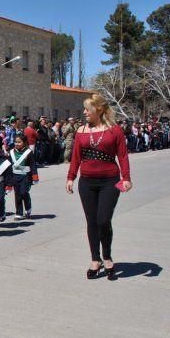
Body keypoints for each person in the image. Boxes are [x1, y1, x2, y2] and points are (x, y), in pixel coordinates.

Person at [66, 94, 132, 281]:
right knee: (92, 221)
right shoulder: (81, 130)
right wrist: (71, 177)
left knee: (103, 219)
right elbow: (76, 157)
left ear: (99, 109)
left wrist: (126, 177)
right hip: (86, 182)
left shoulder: (115, 130)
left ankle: (107, 257)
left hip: (110, 181)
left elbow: (123, 156)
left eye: (88, 108)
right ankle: (95, 259)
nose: (84, 112)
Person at [9, 134, 39, 220]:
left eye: (19, 142)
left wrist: (35, 177)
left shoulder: (28, 152)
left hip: (25, 176)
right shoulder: (11, 152)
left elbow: (33, 165)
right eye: (15, 142)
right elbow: (9, 165)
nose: (17, 144)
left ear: (24, 142)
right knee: (17, 195)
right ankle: (19, 213)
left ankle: (28, 206)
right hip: (15, 176)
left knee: (23, 193)